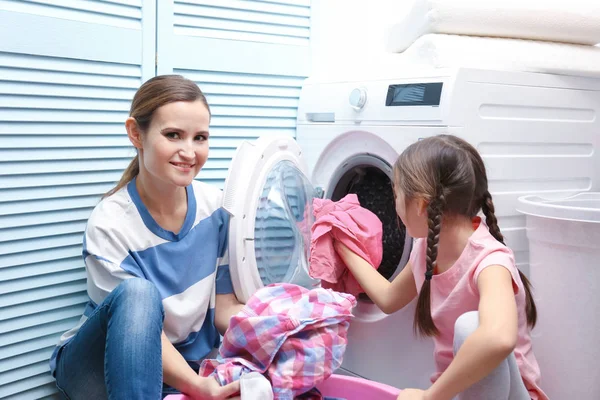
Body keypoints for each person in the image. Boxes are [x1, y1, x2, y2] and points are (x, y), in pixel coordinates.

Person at [49, 75, 244, 400]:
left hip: (186, 361)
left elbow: (224, 308)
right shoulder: (110, 224)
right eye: (173, 135)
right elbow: (140, 338)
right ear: (136, 133)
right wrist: (198, 386)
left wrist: (278, 328)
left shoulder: (215, 208)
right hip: (98, 368)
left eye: (200, 137)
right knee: (139, 294)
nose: (189, 151)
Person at [334, 135, 548, 400]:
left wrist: (429, 396)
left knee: (471, 326)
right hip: (458, 393)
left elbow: (498, 339)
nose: (395, 205)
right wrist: (342, 243)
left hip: (509, 395)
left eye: (396, 195)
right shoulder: (426, 249)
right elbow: (388, 298)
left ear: (421, 205)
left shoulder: (491, 261)